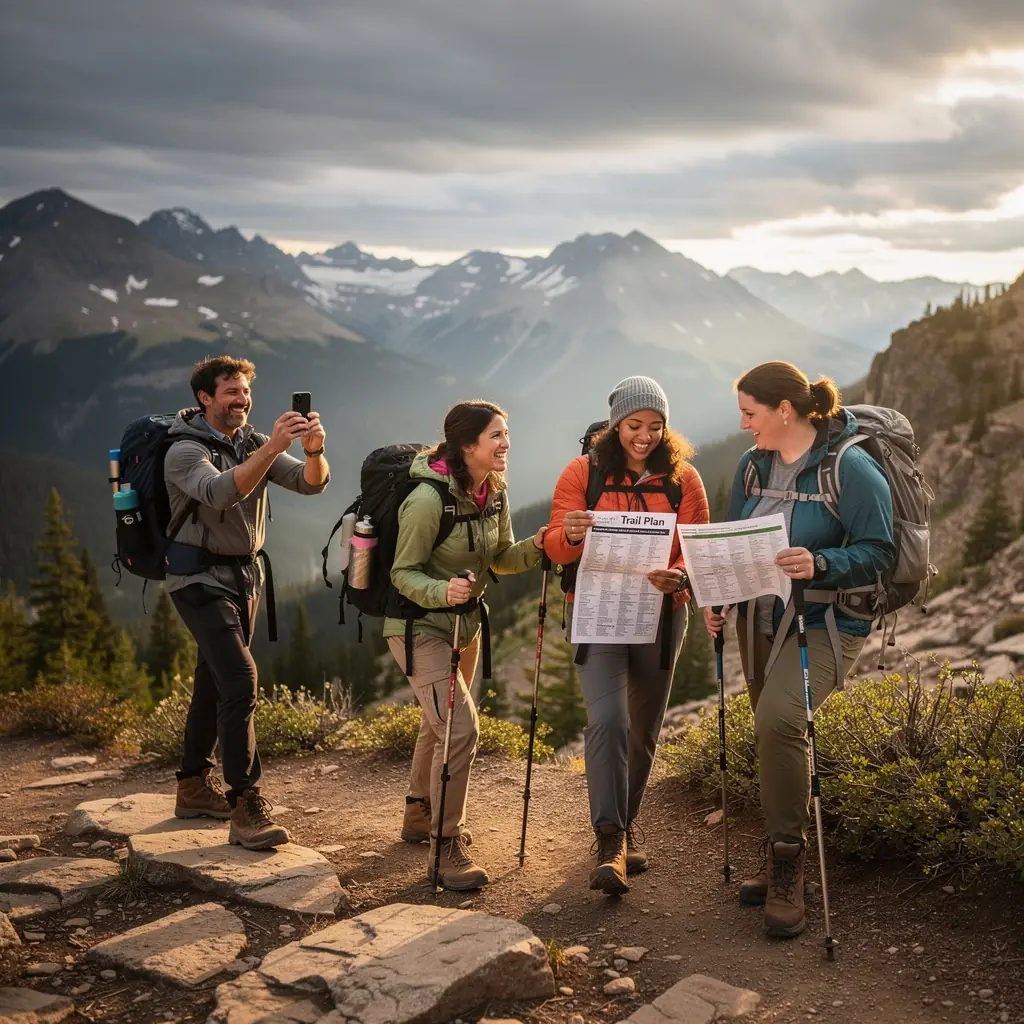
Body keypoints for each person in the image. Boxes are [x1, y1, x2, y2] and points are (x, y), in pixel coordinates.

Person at [704, 360, 894, 938]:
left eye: (750, 413)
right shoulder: (752, 465)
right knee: (769, 732)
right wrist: (719, 596)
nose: (743, 424)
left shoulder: (851, 469)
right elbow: (738, 541)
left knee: (781, 721)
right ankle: (776, 847)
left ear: (784, 411)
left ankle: (788, 863)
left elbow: (880, 553)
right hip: (761, 618)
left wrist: (822, 563)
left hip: (826, 622)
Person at [546, 376, 709, 895]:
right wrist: (570, 534)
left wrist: (679, 575)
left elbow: (695, 549)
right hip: (595, 611)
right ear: (616, 424)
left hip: (661, 614)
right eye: (635, 426)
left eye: (655, 427)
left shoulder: (685, 479)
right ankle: (610, 839)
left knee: (644, 728)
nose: (645, 436)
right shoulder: (582, 472)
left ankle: (626, 823)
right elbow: (554, 547)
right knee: (609, 720)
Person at [166, 356, 330, 850]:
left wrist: (315, 452)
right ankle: (245, 804)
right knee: (240, 678)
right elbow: (220, 493)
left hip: (244, 576)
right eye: (230, 393)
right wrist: (275, 446)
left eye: (244, 392)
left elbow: (309, 482)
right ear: (205, 399)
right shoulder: (183, 449)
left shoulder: (251, 442)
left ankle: (193, 786)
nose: (241, 400)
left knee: (215, 683)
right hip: (195, 577)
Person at [386, 400, 547, 890]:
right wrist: (442, 591)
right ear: (467, 445)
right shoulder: (427, 501)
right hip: (418, 627)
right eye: (496, 435)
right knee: (459, 729)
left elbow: (499, 558)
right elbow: (401, 573)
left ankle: (419, 815)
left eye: (506, 433)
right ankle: (443, 848)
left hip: (466, 627)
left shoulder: (492, 490)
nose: (506, 444)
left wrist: (539, 544)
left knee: (439, 727)